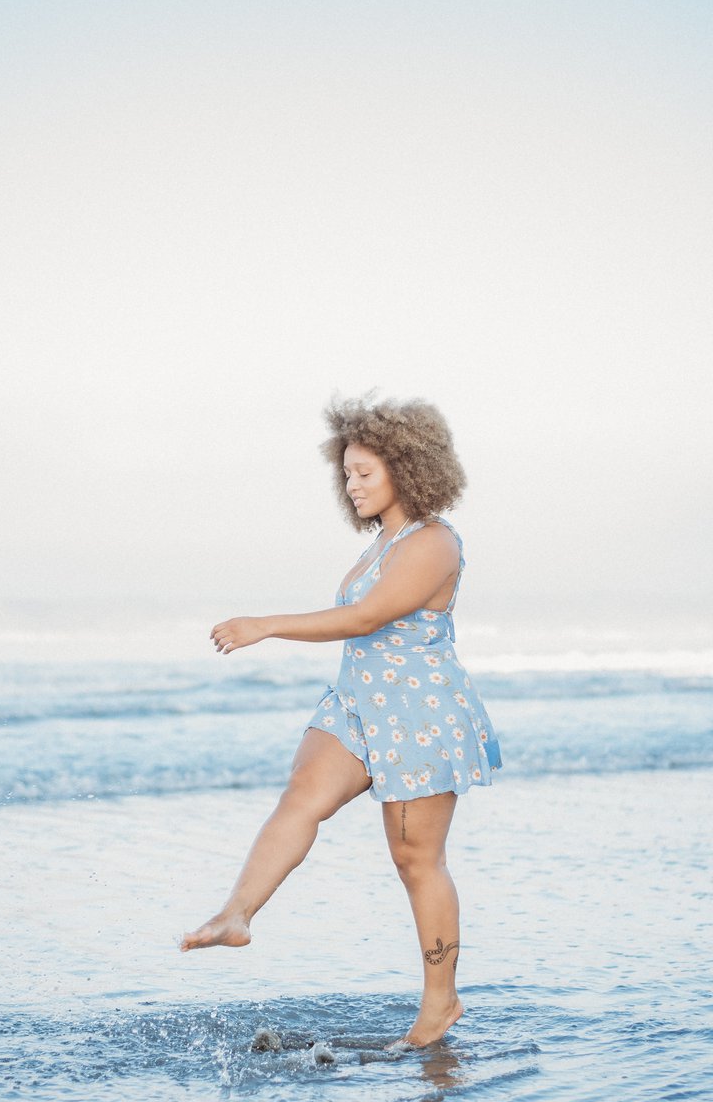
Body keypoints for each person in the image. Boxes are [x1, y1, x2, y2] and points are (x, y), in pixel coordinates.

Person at [179, 395, 501, 1047]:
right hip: (357, 705)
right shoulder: (384, 542)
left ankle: (440, 1003)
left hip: (417, 714)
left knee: (417, 861)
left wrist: (265, 624)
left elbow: (365, 618)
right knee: (300, 798)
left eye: (364, 473)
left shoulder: (434, 542)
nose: (350, 486)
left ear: (408, 469)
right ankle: (235, 915)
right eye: (347, 474)